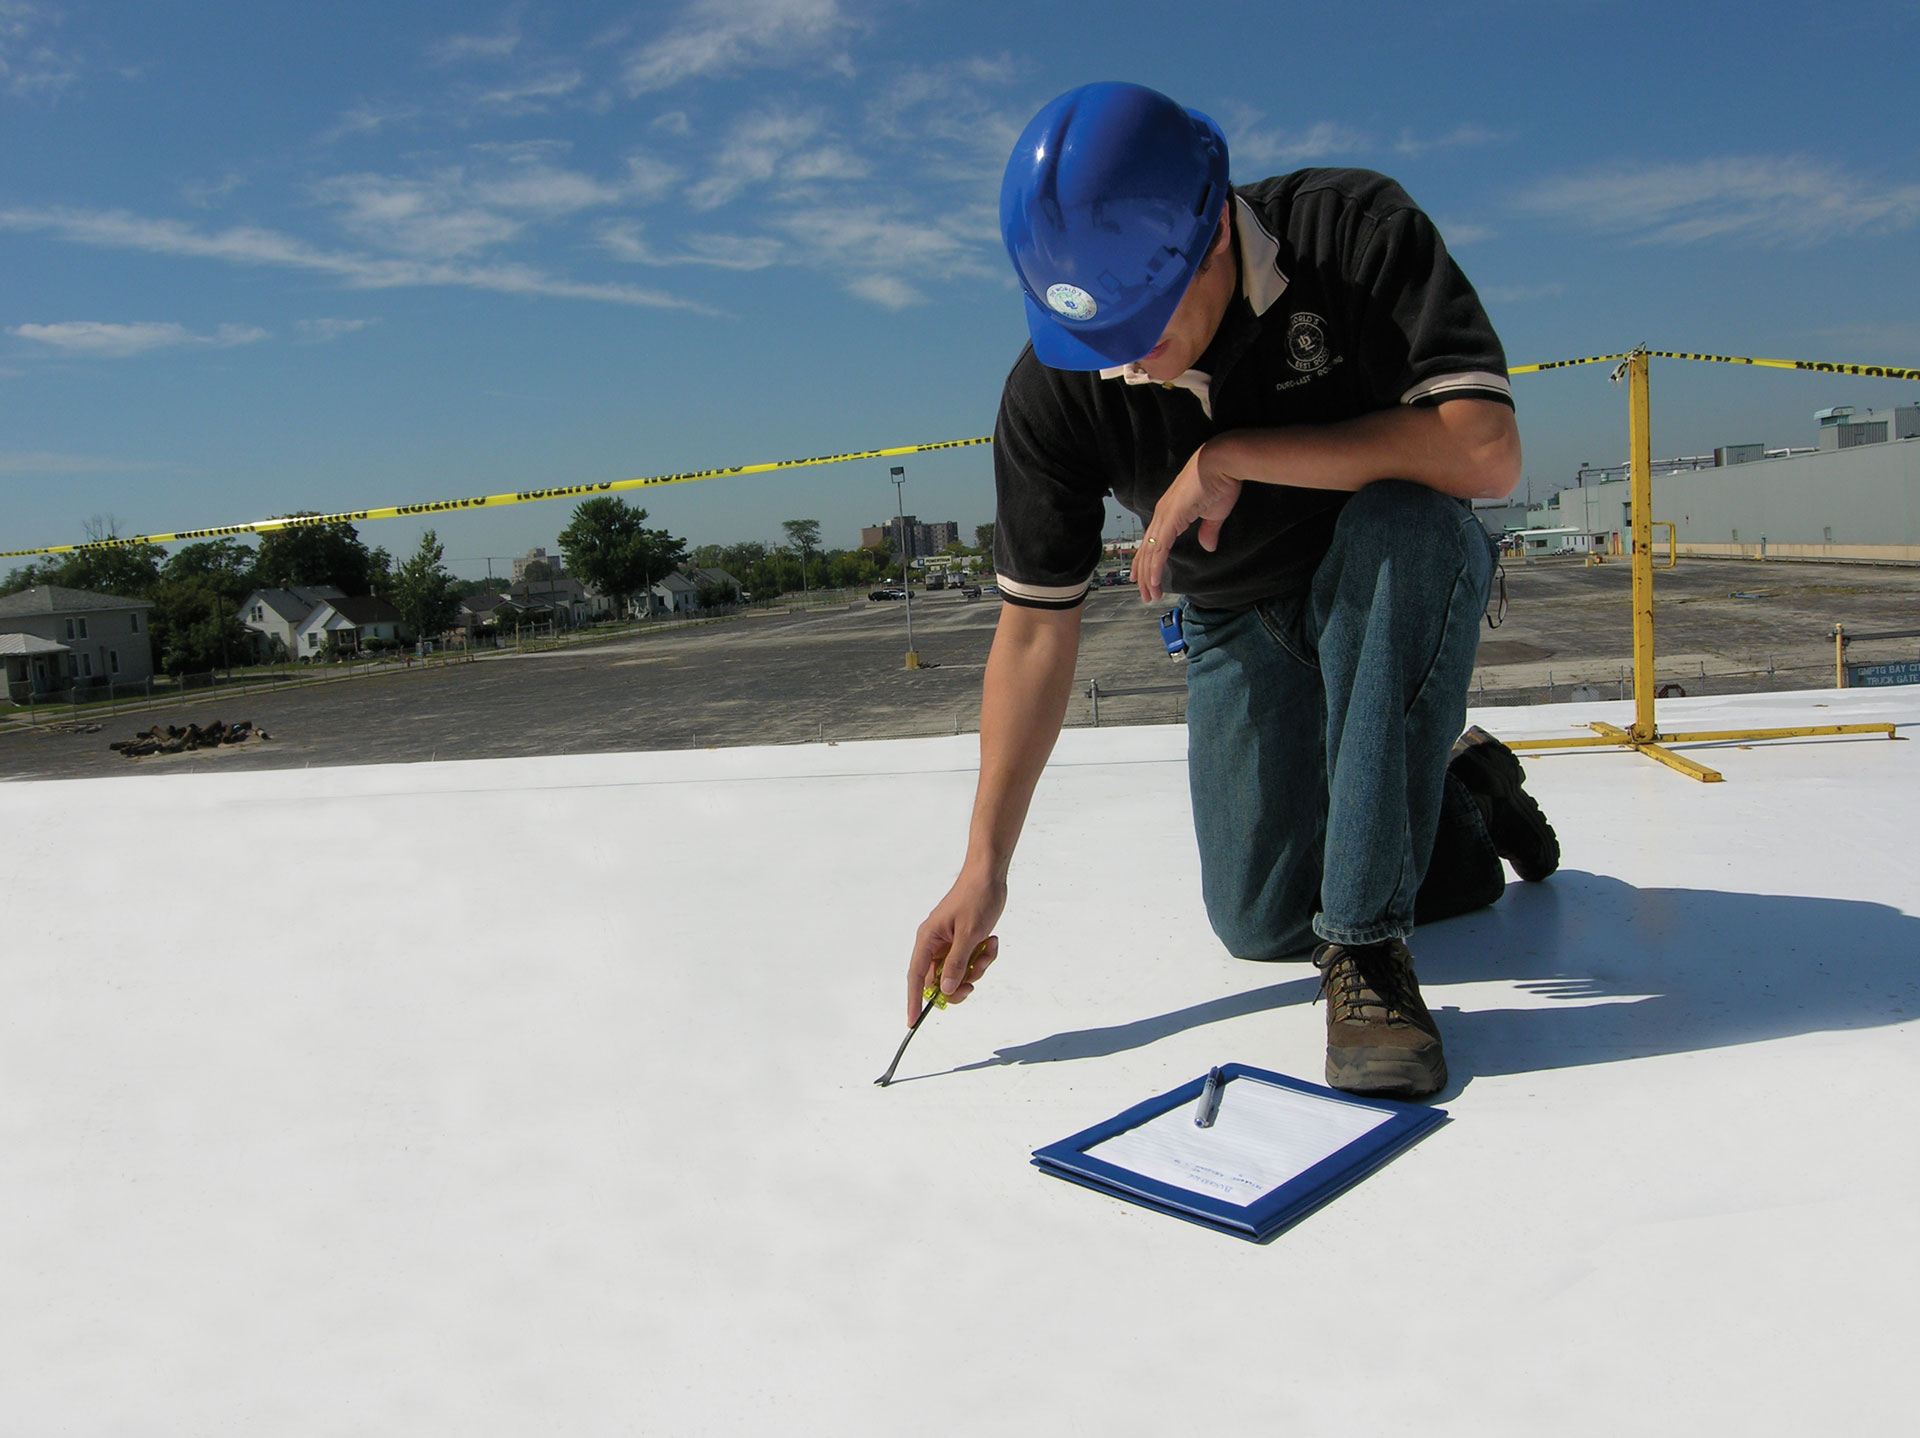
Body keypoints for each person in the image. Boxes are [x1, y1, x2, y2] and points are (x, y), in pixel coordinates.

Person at [906, 81, 1560, 1098]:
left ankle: (1368, 951)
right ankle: (1458, 799)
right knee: (1257, 920)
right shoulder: (1057, 387)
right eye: (1098, 334)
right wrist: (984, 864)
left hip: (1384, 583)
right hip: (1235, 618)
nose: (1124, 359)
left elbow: (1485, 452)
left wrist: (1237, 454)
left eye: (1142, 323)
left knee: (1406, 526)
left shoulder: (1352, 233)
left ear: (1215, 233)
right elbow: (1034, 634)